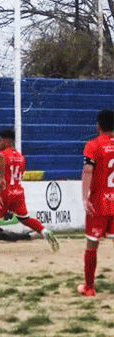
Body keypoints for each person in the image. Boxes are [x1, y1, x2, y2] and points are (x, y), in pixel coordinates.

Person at [0, 129, 59, 252]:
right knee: (25, 218)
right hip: (18, 191)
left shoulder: (0, 155)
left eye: (0, 140)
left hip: (4, 191)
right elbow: (20, 174)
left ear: (7, 141)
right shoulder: (21, 157)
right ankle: (44, 231)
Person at [78, 109, 114, 297]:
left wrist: (85, 197)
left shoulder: (93, 145)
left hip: (99, 202)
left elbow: (88, 171)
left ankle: (89, 288)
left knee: (92, 244)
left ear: (98, 125)